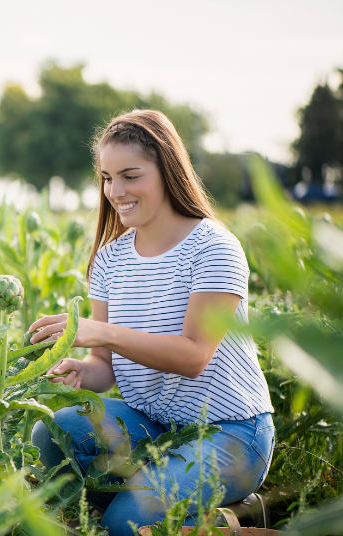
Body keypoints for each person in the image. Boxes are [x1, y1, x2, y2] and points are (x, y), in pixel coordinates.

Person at [29, 110, 275, 535]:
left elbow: (194, 356)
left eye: (130, 175)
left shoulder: (214, 248)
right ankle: (185, 512)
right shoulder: (109, 259)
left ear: (168, 171)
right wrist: (76, 371)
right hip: (155, 424)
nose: (115, 191)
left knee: (127, 523)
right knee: (51, 433)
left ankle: (226, 520)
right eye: (107, 178)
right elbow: (103, 369)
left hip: (232, 433)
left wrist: (100, 331)